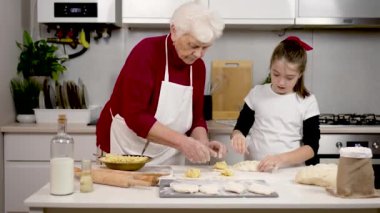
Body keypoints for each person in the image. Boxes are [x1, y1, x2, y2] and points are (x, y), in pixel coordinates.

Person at [96, 1, 227, 165]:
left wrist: (203, 144)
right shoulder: (146, 52)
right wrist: (183, 142)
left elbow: (196, 117)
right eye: (193, 45)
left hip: (167, 151)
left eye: (205, 47)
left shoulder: (197, 67)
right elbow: (135, 116)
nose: (199, 54)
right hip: (125, 146)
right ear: (174, 31)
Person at [230, 36, 320, 172]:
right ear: (270, 67)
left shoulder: (307, 101)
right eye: (276, 74)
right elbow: (240, 128)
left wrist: (280, 159)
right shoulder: (257, 93)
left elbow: (311, 148)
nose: (281, 82)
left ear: (300, 74)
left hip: (289, 173)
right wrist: (237, 136)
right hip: (255, 170)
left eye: (289, 77)